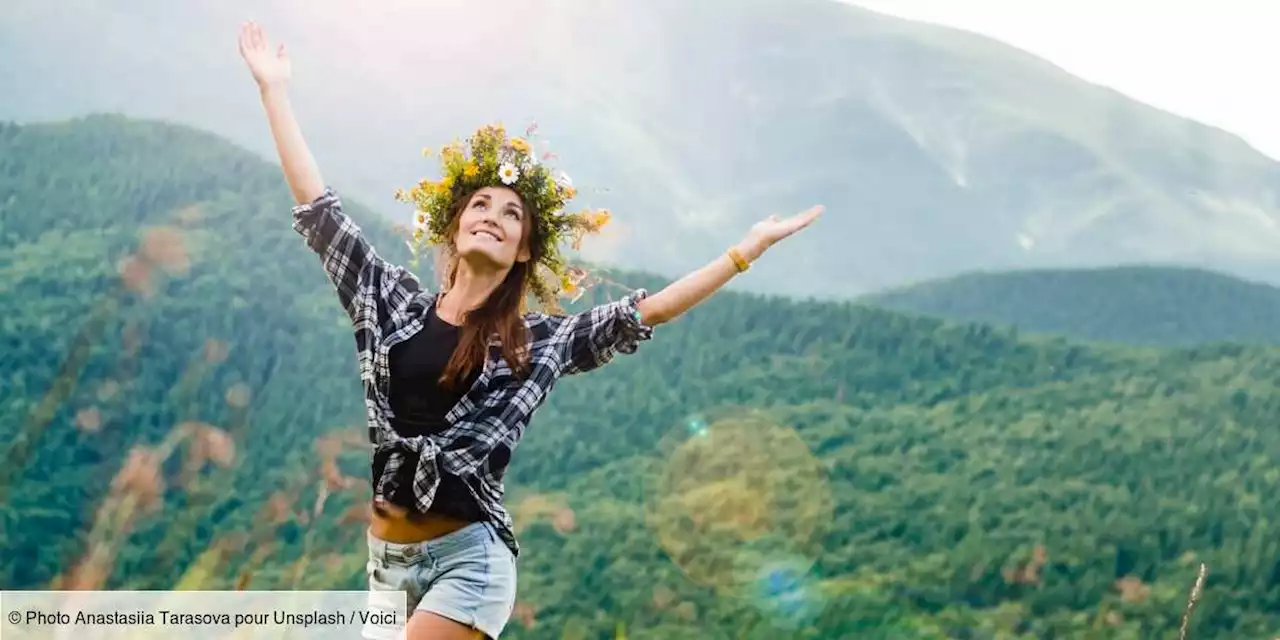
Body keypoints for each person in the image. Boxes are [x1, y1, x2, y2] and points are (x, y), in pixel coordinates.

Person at [237, 19, 822, 640]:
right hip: (385, 574)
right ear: (455, 229)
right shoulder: (390, 303)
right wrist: (274, 91)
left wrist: (742, 254)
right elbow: (319, 212)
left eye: (511, 213)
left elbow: (645, 312)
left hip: (469, 563)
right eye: (480, 206)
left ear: (521, 251)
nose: (493, 216)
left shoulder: (536, 342)